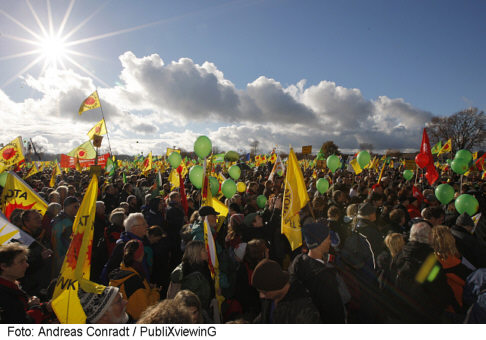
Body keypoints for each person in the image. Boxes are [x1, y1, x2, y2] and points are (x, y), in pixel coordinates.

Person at [390, 222, 459, 323]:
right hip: (426, 314)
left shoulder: (398, 256)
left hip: (403, 312)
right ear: (429, 237)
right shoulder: (431, 261)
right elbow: (440, 290)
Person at [288, 222, 346, 323]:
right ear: (321, 242)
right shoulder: (325, 277)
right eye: (328, 238)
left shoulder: (298, 261)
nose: (330, 241)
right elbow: (335, 312)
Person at [251, 259, 320, 323]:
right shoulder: (269, 298)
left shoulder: (304, 310)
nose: (261, 295)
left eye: (264, 292)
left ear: (277, 286)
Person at [0, 243, 53, 323]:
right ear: (4, 266)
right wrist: (35, 307)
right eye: (21, 262)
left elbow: (21, 311)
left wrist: (46, 307)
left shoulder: (13, 285)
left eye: (26, 260)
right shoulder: (4, 294)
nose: (27, 265)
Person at [109, 240, 160, 321]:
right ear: (141, 254)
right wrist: (155, 292)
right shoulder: (134, 279)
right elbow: (143, 311)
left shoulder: (120, 271)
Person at [431, 225, 472, 310]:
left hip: (450, 307)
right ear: (450, 239)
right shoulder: (454, 263)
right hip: (463, 303)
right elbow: (471, 281)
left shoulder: (433, 261)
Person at [168, 240, 213, 315]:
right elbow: (174, 297)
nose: (207, 252)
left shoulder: (204, 266)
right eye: (204, 250)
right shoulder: (182, 271)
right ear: (196, 253)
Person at [103, 213, 149, 284]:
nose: (147, 226)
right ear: (134, 228)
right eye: (144, 224)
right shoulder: (124, 247)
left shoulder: (140, 242)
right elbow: (110, 271)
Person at [51, 196, 80, 274]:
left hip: (73, 254)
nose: (77, 209)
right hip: (63, 256)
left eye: (78, 206)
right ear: (66, 207)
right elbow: (56, 241)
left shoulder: (74, 219)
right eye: (75, 206)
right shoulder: (60, 220)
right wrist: (60, 257)